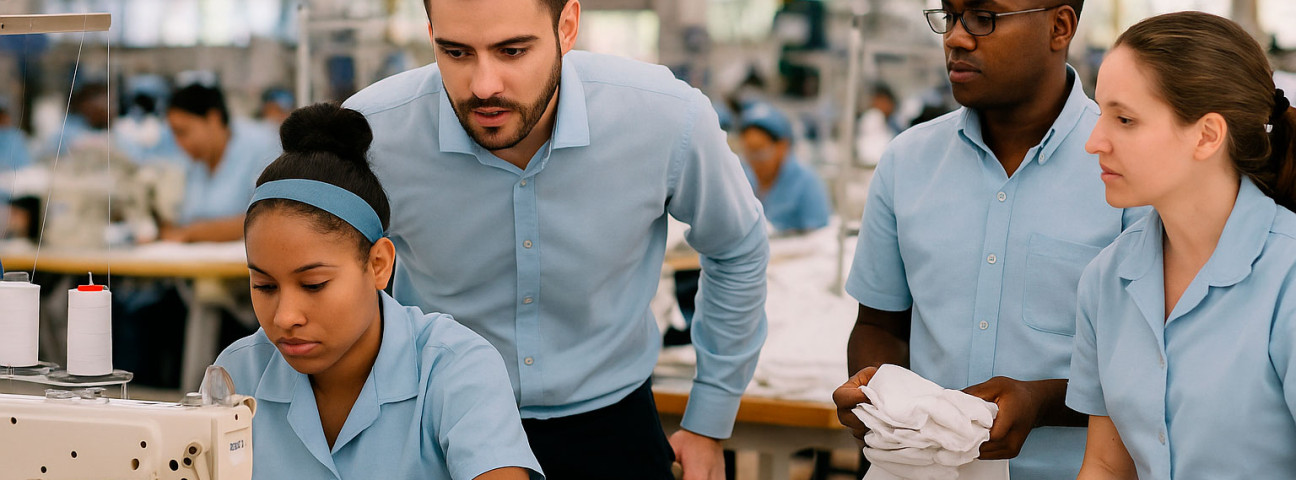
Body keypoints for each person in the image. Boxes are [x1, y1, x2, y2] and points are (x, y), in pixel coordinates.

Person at [343, 0, 769, 478]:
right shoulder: (368, 134)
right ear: (431, 35)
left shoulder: (666, 117)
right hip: (436, 429)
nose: (484, 85)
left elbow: (736, 246)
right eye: (456, 52)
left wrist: (709, 420)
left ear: (567, 27)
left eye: (512, 51)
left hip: (615, 429)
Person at [831, 0, 1145, 477]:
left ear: (1059, 26)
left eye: (984, 18)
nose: (955, 38)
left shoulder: (1127, 171)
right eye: (949, 15)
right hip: (922, 472)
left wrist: (1042, 402)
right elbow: (880, 324)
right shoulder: (907, 161)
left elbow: (1151, 363)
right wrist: (874, 390)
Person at [214, 103, 542, 480]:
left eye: (314, 284)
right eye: (265, 286)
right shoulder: (239, 374)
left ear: (378, 265)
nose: (285, 317)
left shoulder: (455, 369)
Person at [1068, 12, 1296, 479]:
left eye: (1124, 119)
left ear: (1207, 135)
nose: (1094, 142)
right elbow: (1107, 465)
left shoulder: (1287, 278)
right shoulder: (1106, 278)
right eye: (1100, 112)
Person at [164, 83, 280, 242]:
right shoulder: (193, 162)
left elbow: (269, 217)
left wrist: (194, 233)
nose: (179, 143)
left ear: (213, 119)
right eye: (174, 135)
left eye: (183, 132)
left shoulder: (262, 146)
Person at [739, 102, 831, 235]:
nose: (754, 160)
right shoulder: (744, 178)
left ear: (782, 147)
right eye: (748, 152)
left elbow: (819, 235)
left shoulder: (807, 183)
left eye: (759, 151)